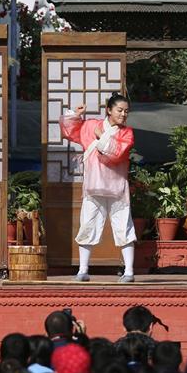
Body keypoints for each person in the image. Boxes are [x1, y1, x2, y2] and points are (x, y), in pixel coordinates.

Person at [59, 93, 136, 283]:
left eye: (126, 111)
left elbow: (118, 153)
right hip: (94, 185)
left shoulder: (127, 133)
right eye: (119, 110)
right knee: (88, 225)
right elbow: (70, 131)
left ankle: (129, 271)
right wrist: (75, 115)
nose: (123, 114)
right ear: (109, 110)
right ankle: (83, 270)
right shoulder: (92, 125)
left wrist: (102, 137)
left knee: (123, 226)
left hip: (116, 186)